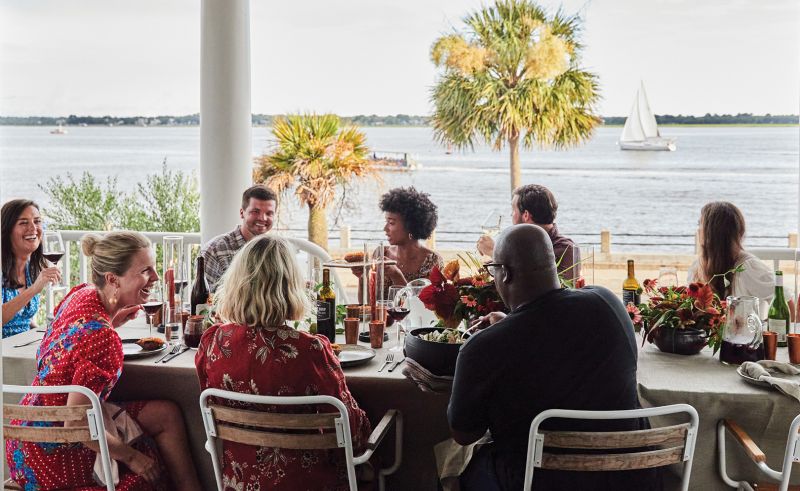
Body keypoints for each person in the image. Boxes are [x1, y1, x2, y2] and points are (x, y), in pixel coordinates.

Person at [450, 224, 656, 490]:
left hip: (537, 482)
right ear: (552, 265)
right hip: (630, 479)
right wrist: (508, 324)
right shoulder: (608, 303)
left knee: (454, 470)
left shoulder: (484, 347)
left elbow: (464, 434)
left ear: (506, 274)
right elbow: (556, 328)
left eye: (493, 271)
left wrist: (497, 335)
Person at [5, 231, 200, 490]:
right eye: (145, 271)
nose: (154, 277)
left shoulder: (81, 293)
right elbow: (75, 422)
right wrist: (133, 458)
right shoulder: (103, 339)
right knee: (146, 462)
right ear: (112, 279)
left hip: (24, 437)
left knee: (165, 413)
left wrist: (112, 320)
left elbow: (72, 339)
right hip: (52, 451)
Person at [196, 234, 372, 490]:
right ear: (290, 286)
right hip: (309, 482)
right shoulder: (310, 349)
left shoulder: (213, 342)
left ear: (236, 284)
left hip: (240, 481)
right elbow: (354, 433)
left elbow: (210, 405)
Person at [477, 184, 579, 281]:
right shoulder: (519, 245)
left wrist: (494, 252)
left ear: (526, 215)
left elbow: (532, 284)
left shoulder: (566, 249)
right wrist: (491, 266)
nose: (511, 215)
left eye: (513, 210)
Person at [688, 201, 773, 316]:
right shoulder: (697, 268)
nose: (698, 230)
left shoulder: (748, 268)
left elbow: (786, 302)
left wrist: (766, 329)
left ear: (712, 234)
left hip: (744, 334)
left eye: (700, 225)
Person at [354, 187, 443, 291]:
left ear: (410, 225)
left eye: (391, 223)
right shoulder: (381, 253)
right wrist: (362, 278)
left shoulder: (432, 261)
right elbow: (366, 305)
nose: (385, 228)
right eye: (386, 222)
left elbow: (421, 305)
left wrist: (396, 275)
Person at [200, 184, 278, 292]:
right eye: (255, 212)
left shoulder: (276, 252)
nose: (262, 218)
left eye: (269, 213)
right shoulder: (214, 250)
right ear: (242, 213)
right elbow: (204, 302)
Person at [2, 199, 61, 338]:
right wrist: (34, 289)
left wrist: (44, 333)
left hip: (20, 347)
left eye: (37, 221)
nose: (33, 228)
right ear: (7, 230)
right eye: (23, 222)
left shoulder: (29, 268)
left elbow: (22, 321)